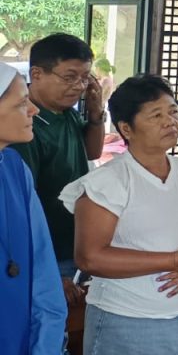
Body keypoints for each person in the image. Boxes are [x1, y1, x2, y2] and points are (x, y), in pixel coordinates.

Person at [61, 75, 178, 355]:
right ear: (126, 128)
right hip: (129, 318)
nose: (171, 121)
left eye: (174, 112)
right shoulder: (108, 182)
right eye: (156, 115)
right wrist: (175, 261)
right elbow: (90, 257)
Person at [15, 33, 104, 304]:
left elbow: (92, 152)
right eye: (69, 77)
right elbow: (24, 206)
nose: (79, 86)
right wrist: (49, 270)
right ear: (37, 74)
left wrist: (96, 113)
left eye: (85, 77)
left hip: (75, 242)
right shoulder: (22, 126)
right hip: (48, 252)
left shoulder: (67, 113)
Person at [0, 62, 67, 354]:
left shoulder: (15, 169)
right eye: (21, 103)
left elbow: (43, 273)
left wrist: (46, 347)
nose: (33, 110)